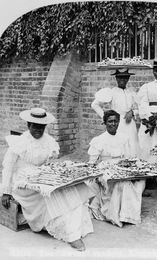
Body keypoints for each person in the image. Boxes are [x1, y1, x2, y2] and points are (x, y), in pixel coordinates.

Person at [1, 108, 93, 251]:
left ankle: (74, 228)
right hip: (23, 184)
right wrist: (6, 191)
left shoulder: (49, 141)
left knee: (70, 189)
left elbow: (50, 162)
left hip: (42, 177)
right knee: (53, 197)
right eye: (35, 126)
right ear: (28, 125)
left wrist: (52, 167)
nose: (38, 129)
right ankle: (70, 235)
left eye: (41, 126)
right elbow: (8, 168)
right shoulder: (19, 142)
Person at [87, 110, 145, 227]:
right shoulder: (99, 140)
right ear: (105, 123)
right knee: (120, 183)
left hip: (121, 167)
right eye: (110, 121)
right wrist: (97, 174)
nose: (113, 124)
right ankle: (114, 213)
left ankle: (127, 214)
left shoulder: (124, 138)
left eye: (116, 121)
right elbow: (92, 163)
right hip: (105, 169)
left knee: (133, 181)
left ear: (119, 123)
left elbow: (129, 157)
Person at [91, 69, 139, 157]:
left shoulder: (131, 92)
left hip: (130, 124)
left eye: (125, 77)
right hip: (117, 124)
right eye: (120, 77)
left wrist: (133, 112)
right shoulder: (111, 92)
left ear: (128, 78)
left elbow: (141, 108)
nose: (122, 80)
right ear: (116, 78)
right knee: (119, 147)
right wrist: (106, 117)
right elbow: (94, 105)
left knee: (132, 147)